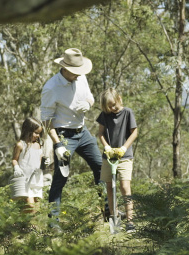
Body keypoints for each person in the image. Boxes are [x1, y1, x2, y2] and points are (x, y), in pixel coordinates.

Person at [40, 48, 105, 229]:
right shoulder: (51, 87)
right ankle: (53, 223)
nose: (79, 75)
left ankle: (108, 212)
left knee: (100, 166)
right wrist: (58, 144)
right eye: (75, 72)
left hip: (82, 132)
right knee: (61, 178)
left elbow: (90, 97)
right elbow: (45, 119)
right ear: (65, 68)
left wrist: (88, 104)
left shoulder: (81, 77)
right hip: (63, 135)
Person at [97, 88, 138, 233]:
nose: (112, 109)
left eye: (113, 105)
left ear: (119, 98)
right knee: (109, 186)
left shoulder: (127, 112)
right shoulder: (105, 115)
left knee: (125, 187)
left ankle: (130, 221)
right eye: (109, 107)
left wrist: (124, 148)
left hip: (124, 157)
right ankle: (114, 217)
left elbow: (134, 132)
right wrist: (106, 146)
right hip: (109, 156)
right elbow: (100, 133)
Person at [11, 117, 44, 213]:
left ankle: (23, 224)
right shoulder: (20, 145)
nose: (38, 136)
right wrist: (16, 167)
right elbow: (14, 159)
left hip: (36, 180)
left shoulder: (38, 145)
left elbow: (39, 161)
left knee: (36, 209)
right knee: (30, 207)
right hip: (25, 181)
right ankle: (20, 224)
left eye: (39, 134)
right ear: (28, 130)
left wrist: (45, 162)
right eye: (36, 133)